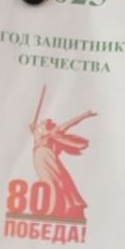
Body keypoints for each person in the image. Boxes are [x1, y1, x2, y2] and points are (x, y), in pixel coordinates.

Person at [29, 93, 95, 223]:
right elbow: (32, 127)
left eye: (44, 123)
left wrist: (84, 115)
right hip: (39, 158)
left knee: (54, 180)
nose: (41, 123)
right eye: (41, 123)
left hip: (47, 156)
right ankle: (54, 208)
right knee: (46, 181)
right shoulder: (37, 132)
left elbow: (69, 124)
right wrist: (33, 127)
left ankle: (58, 208)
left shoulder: (51, 132)